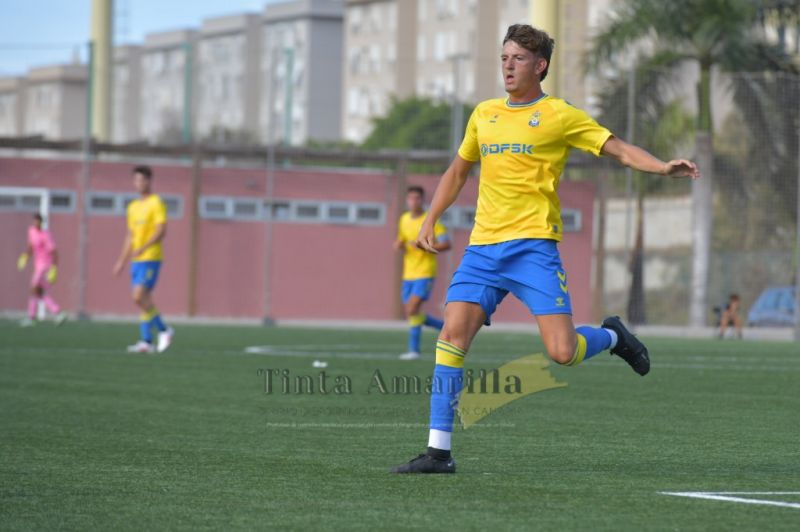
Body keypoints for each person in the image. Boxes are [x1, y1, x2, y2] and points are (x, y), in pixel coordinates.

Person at [391, 24, 699, 474]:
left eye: (517, 59)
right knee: (451, 338)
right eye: (503, 58)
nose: (508, 66)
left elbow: (617, 149)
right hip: (482, 251)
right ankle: (439, 452)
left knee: (563, 352)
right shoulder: (484, 114)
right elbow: (458, 172)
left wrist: (663, 168)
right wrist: (430, 218)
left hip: (534, 249)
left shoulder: (558, 114)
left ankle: (612, 335)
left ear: (540, 66)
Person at [113, 165, 174, 353]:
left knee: (138, 296)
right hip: (136, 261)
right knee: (143, 300)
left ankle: (164, 330)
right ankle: (146, 341)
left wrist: (144, 247)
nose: (138, 184)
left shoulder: (156, 203)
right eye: (135, 180)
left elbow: (161, 230)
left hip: (151, 258)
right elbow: (129, 236)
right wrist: (121, 261)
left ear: (149, 181)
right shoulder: (133, 207)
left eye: (141, 180)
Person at [394, 186, 451, 360]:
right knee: (412, 312)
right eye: (410, 198)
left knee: (412, 308)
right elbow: (402, 240)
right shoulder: (403, 219)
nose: (413, 201)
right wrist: (399, 245)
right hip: (408, 274)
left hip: (425, 272)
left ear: (422, 200)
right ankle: (444, 327)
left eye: (417, 198)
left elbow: (446, 244)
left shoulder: (430, 220)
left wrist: (426, 247)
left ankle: (414, 350)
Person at [17, 213, 67, 326]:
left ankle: (31, 317)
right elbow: (31, 246)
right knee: (38, 292)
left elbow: (55, 252)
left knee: (34, 289)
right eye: (34, 221)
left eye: (38, 221)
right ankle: (57, 313)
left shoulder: (46, 235)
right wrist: (25, 257)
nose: (36, 223)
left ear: (41, 222)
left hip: (45, 266)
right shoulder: (31, 231)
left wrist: (54, 268)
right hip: (38, 265)